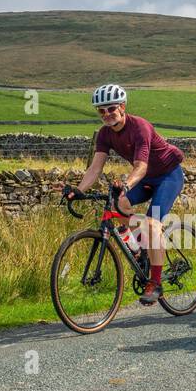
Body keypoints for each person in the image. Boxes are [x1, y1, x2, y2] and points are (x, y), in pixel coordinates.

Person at [63, 83, 185, 306]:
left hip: (168, 176)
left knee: (151, 224)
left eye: (110, 109)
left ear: (122, 106)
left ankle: (155, 283)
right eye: (101, 111)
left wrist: (127, 184)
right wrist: (79, 190)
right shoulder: (104, 134)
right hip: (146, 180)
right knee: (119, 206)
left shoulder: (140, 127)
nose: (106, 114)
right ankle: (139, 249)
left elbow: (140, 166)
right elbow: (95, 168)